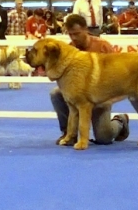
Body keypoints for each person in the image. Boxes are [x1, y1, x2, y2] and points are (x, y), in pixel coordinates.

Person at [50, 14, 129, 146]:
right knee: (56, 93)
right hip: (78, 96)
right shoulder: (69, 49)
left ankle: (120, 121)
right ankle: (68, 133)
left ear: (86, 29)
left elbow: (120, 77)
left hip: (102, 97)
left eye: (77, 33)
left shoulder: (104, 47)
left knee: (104, 138)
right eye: (70, 34)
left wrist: (108, 100)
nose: (74, 38)